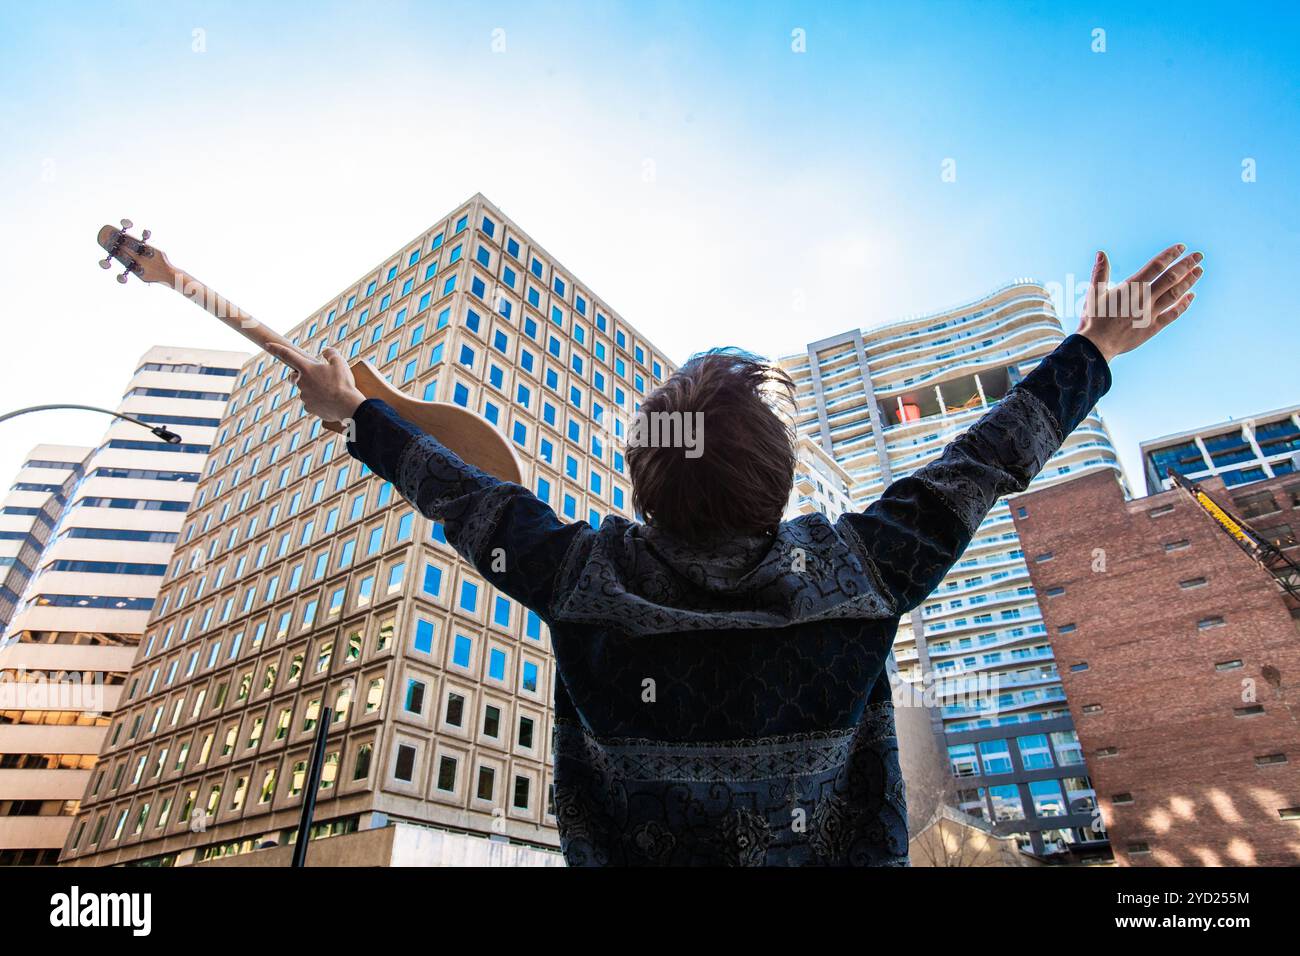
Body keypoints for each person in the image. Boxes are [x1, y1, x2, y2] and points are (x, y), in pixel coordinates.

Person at [268, 244, 1203, 866]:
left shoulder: (581, 579)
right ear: (783, 482)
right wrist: (1093, 341)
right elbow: (991, 457)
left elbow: (458, 492)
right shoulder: (861, 571)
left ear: (641, 484)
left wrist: (355, 413)